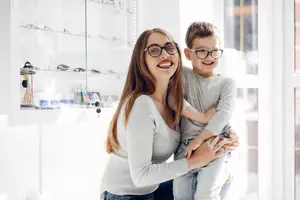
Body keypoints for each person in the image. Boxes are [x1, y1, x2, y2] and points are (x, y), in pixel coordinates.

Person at [100, 28, 239, 200]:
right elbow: (141, 176)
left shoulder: (175, 101)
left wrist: (226, 135)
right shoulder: (141, 105)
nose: (164, 54)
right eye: (154, 50)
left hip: (152, 189)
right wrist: (197, 161)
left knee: (219, 182)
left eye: (169, 47)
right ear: (141, 60)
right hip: (125, 195)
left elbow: (203, 122)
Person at [172, 21, 237, 200]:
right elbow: (172, 100)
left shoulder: (226, 83)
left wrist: (199, 141)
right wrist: (201, 119)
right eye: (201, 51)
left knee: (206, 195)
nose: (209, 56)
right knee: (180, 194)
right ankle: (226, 177)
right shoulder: (182, 76)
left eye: (214, 50)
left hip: (215, 144)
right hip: (185, 149)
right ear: (188, 54)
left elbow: (223, 115)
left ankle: (225, 174)